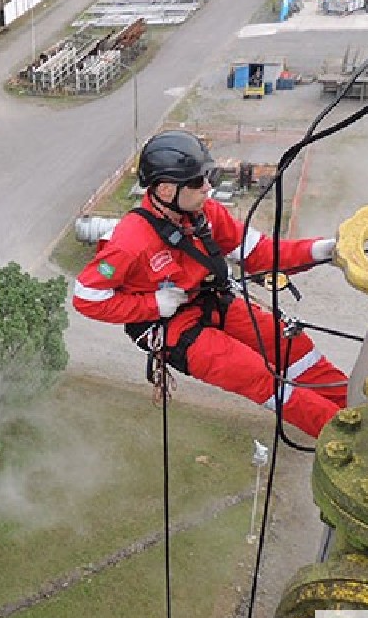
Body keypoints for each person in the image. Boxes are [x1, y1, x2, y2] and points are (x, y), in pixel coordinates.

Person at [72, 130, 348, 438]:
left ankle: (354, 407)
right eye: (197, 181)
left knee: (290, 344)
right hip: (170, 329)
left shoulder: (206, 215)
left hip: (210, 301)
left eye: (208, 176)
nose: (208, 187)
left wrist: (319, 250)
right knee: (256, 375)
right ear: (165, 190)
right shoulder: (131, 241)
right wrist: (152, 305)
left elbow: (258, 253)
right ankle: (345, 437)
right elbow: (87, 296)